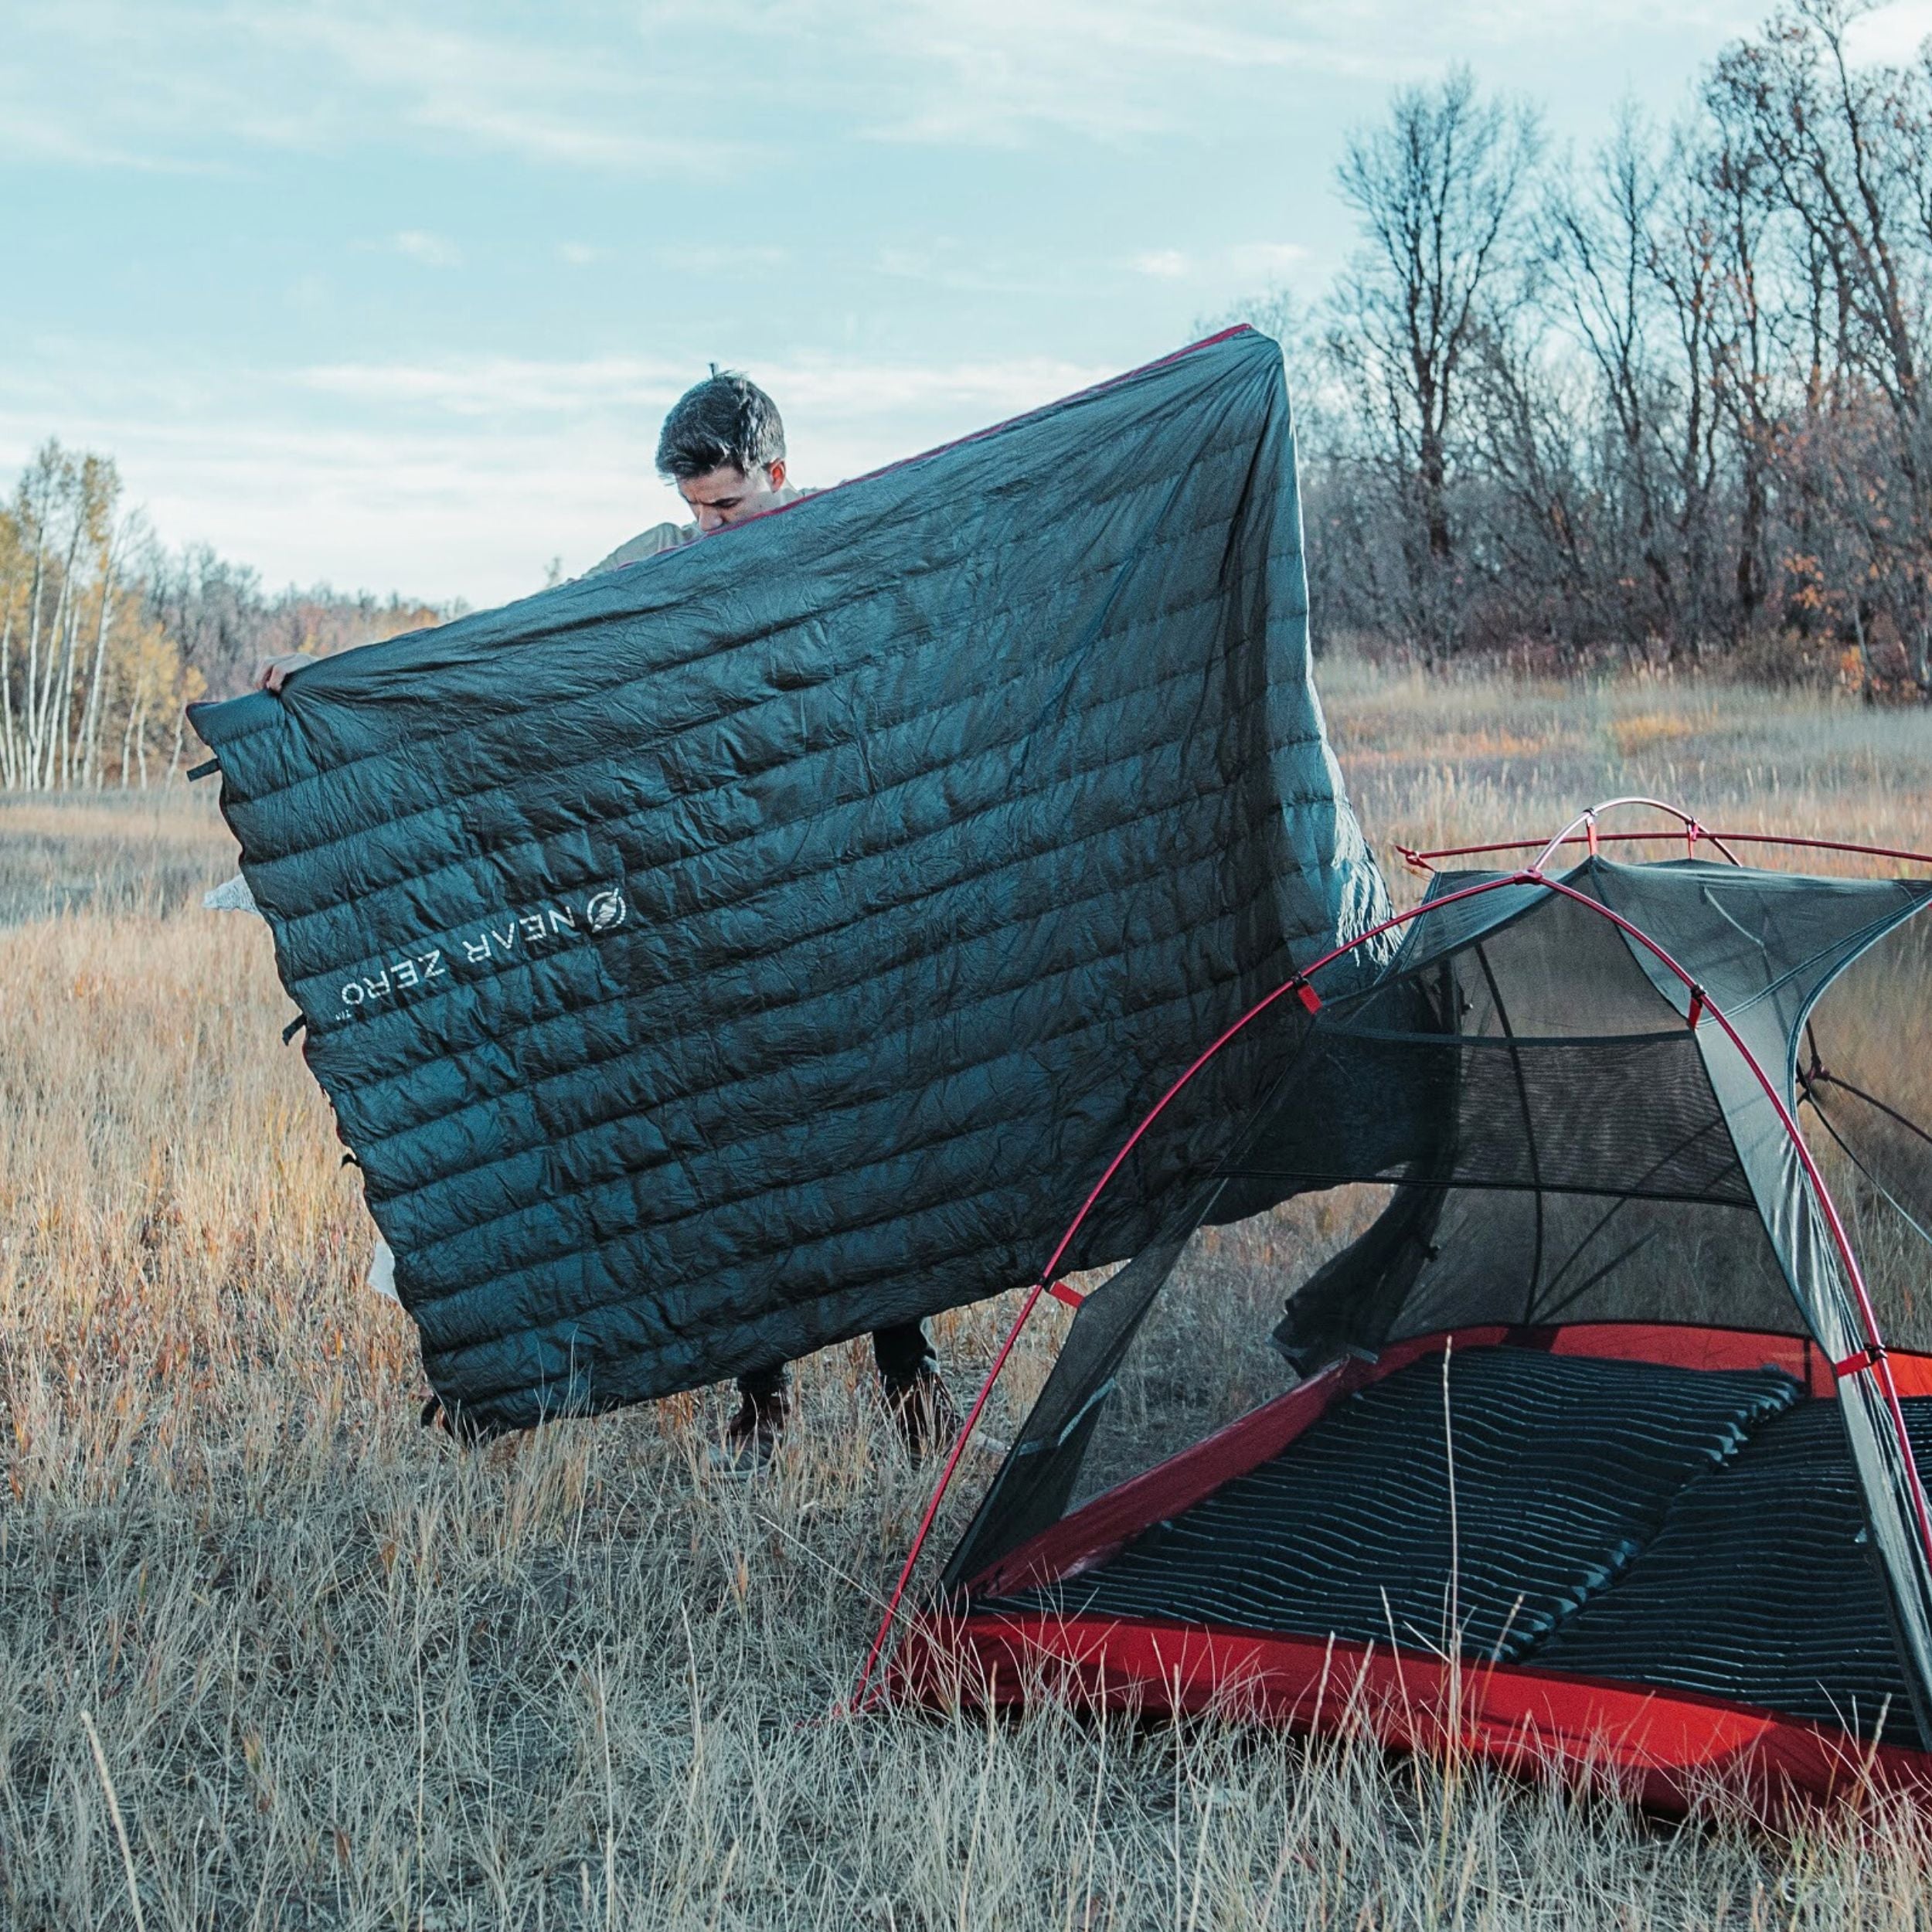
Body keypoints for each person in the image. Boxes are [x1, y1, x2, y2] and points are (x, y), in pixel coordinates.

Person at [253, 369, 958, 1471]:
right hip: (703, 910)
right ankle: (761, 1397)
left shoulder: (843, 534)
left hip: (829, 900)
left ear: (777, 473)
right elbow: (522, 642)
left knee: (862, 1138)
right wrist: (345, 681)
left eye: (726, 506)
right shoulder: (660, 559)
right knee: (732, 1154)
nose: (707, 529)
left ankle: (909, 1374)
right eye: (694, 509)